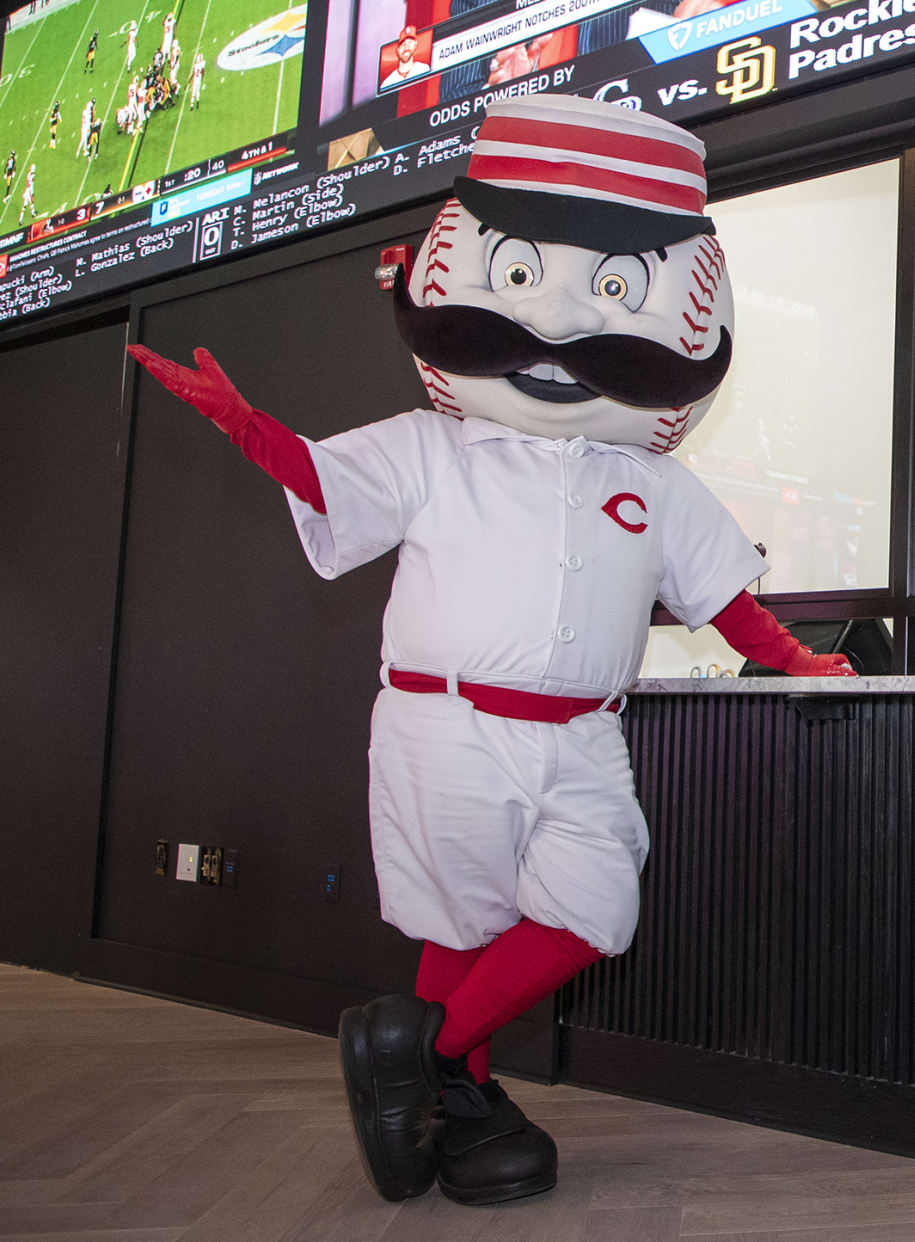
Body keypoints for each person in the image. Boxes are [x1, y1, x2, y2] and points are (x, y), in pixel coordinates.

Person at [126, 93, 854, 1210]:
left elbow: (722, 599)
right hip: (445, 724)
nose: (562, 329)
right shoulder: (435, 445)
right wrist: (245, 424)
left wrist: (800, 662)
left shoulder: (653, 481)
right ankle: (453, 1100)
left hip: (582, 737)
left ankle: (409, 1052)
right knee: (456, 921)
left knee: (597, 906)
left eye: (614, 294)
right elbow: (330, 483)